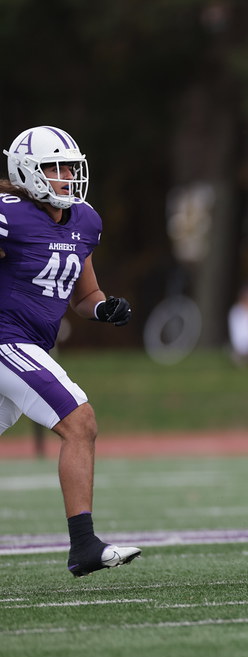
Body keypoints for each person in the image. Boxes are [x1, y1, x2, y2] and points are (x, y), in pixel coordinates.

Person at [0, 125, 141, 576]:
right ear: (27, 172)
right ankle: (84, 545)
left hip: (30, 343)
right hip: (6, 339)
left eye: (69, 168)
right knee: (79, 420)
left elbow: (84, 294)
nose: (65, 177)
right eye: (54, 168)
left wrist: (105, 309)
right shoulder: (9, 216)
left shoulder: (85, 220)